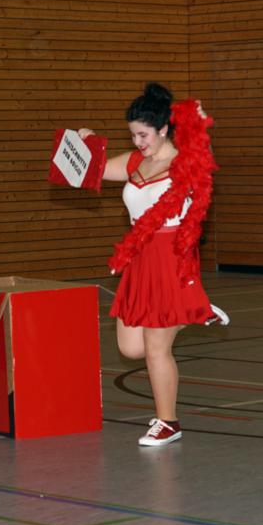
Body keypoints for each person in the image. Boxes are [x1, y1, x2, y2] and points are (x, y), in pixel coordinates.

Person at [80, 83, 224, 447]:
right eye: (132, 135)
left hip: (171, 259)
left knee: (157, 347)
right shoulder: (134, 162)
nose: (137, 142)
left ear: (163, 129)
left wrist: (197, 124)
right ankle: (194, 310)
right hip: (139, 259)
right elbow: (92, 169)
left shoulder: (186, 162)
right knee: (131, 348)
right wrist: (83, 144)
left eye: (143, 135)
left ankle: (168, 422)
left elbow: (204, 156)